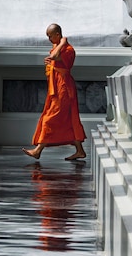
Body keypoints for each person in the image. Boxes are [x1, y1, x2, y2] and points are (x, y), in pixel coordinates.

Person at [22, 24, 87, 161]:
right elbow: (54, 59)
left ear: (58, 34)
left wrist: (63, 42)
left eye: (50, 36)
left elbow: (56, 56)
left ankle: (38, 150)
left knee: (49, 118)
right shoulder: (57, 47)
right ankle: (80, 151)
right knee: (70, 120)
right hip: (56, 88)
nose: (49, 39)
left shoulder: (68, 49)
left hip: (64, 88)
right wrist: (50, 62)